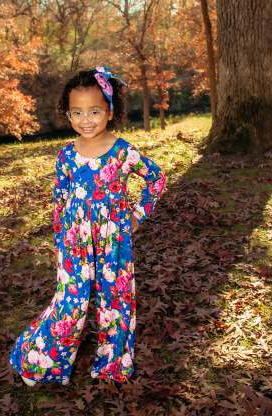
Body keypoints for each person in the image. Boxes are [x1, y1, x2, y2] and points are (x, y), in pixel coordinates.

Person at [9, 65, 167, 387]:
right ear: (67, 114)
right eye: (77, 112)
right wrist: (59, 243)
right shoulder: (66, 155)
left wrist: (137, 215)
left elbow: (157, 179)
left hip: (113, 241)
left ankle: (113, 365)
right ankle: (40, 360)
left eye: (94, 111)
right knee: (70, 303)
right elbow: (59, 201)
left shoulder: (123, 152)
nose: (85, 119)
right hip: (75, 241)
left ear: (110, 111)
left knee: (116, 301)